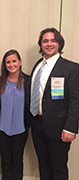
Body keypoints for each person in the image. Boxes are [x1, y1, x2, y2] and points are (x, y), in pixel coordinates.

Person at [30, 27, 79, 180]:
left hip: (59, 128)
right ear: (41, 45)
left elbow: (75, 101)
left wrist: (71, 128)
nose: (49, 44)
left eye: (53, 40)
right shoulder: (38, 65)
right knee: (43, 166)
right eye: (45, 41)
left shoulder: (71, 68)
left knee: (58, 168)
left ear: (59, 44)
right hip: (37, 124)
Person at [0, 49, 29, 180]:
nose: (11, 64)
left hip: (21, 129)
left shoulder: (28, 81)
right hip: (2, 127)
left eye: (14, 61)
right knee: (6, 160)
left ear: (20, 62)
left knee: (17, 160)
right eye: (8, 62)